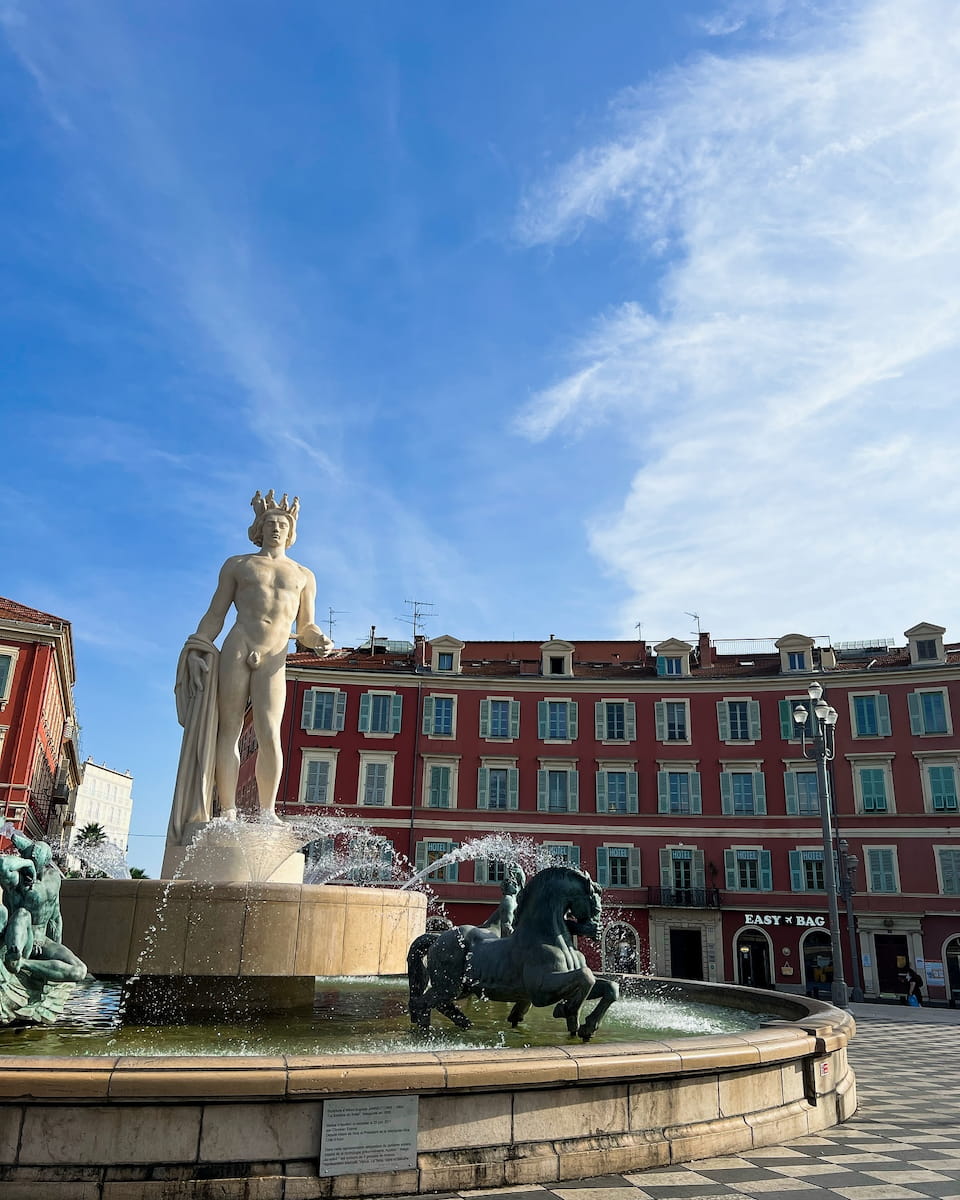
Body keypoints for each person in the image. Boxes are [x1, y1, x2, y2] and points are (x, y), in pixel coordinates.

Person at [170, 490, 333, 840]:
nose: (276, 528)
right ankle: (227, 810)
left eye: (282, 524)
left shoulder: (304, 575)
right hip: (239, 644)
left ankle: (267, 811)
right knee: (228, 729)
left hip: (275, 653)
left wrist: (318, 639)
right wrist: (200, 644)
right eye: (270, 522)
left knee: (269, 732)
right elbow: (216, 614)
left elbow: (305, 625)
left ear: (291, 533)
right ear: (258, 528)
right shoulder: (238, 565)